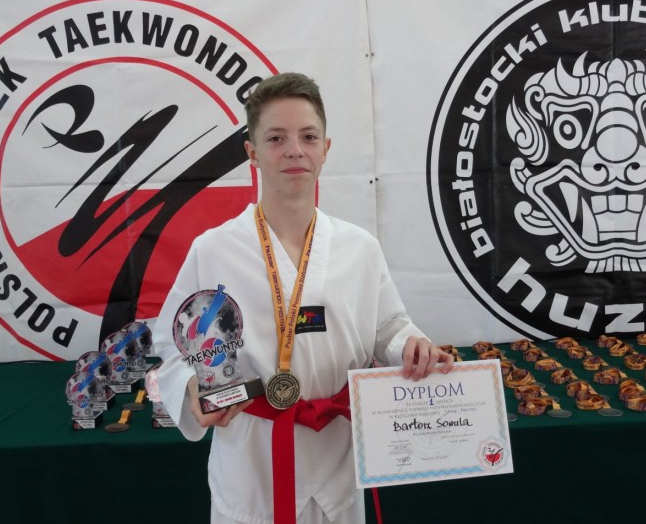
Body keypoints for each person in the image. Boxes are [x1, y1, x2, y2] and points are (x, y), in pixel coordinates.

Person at [153, 72, 453, 524]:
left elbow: (389, 328)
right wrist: (193, 386)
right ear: (252, 153)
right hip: (252, 457)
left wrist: (410, 346)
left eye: (308, 136)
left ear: (325, 149)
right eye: (276, 138)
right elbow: (172, 347)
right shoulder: (213, 250)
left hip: (338, 454)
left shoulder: (360, 248)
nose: (295, 149)